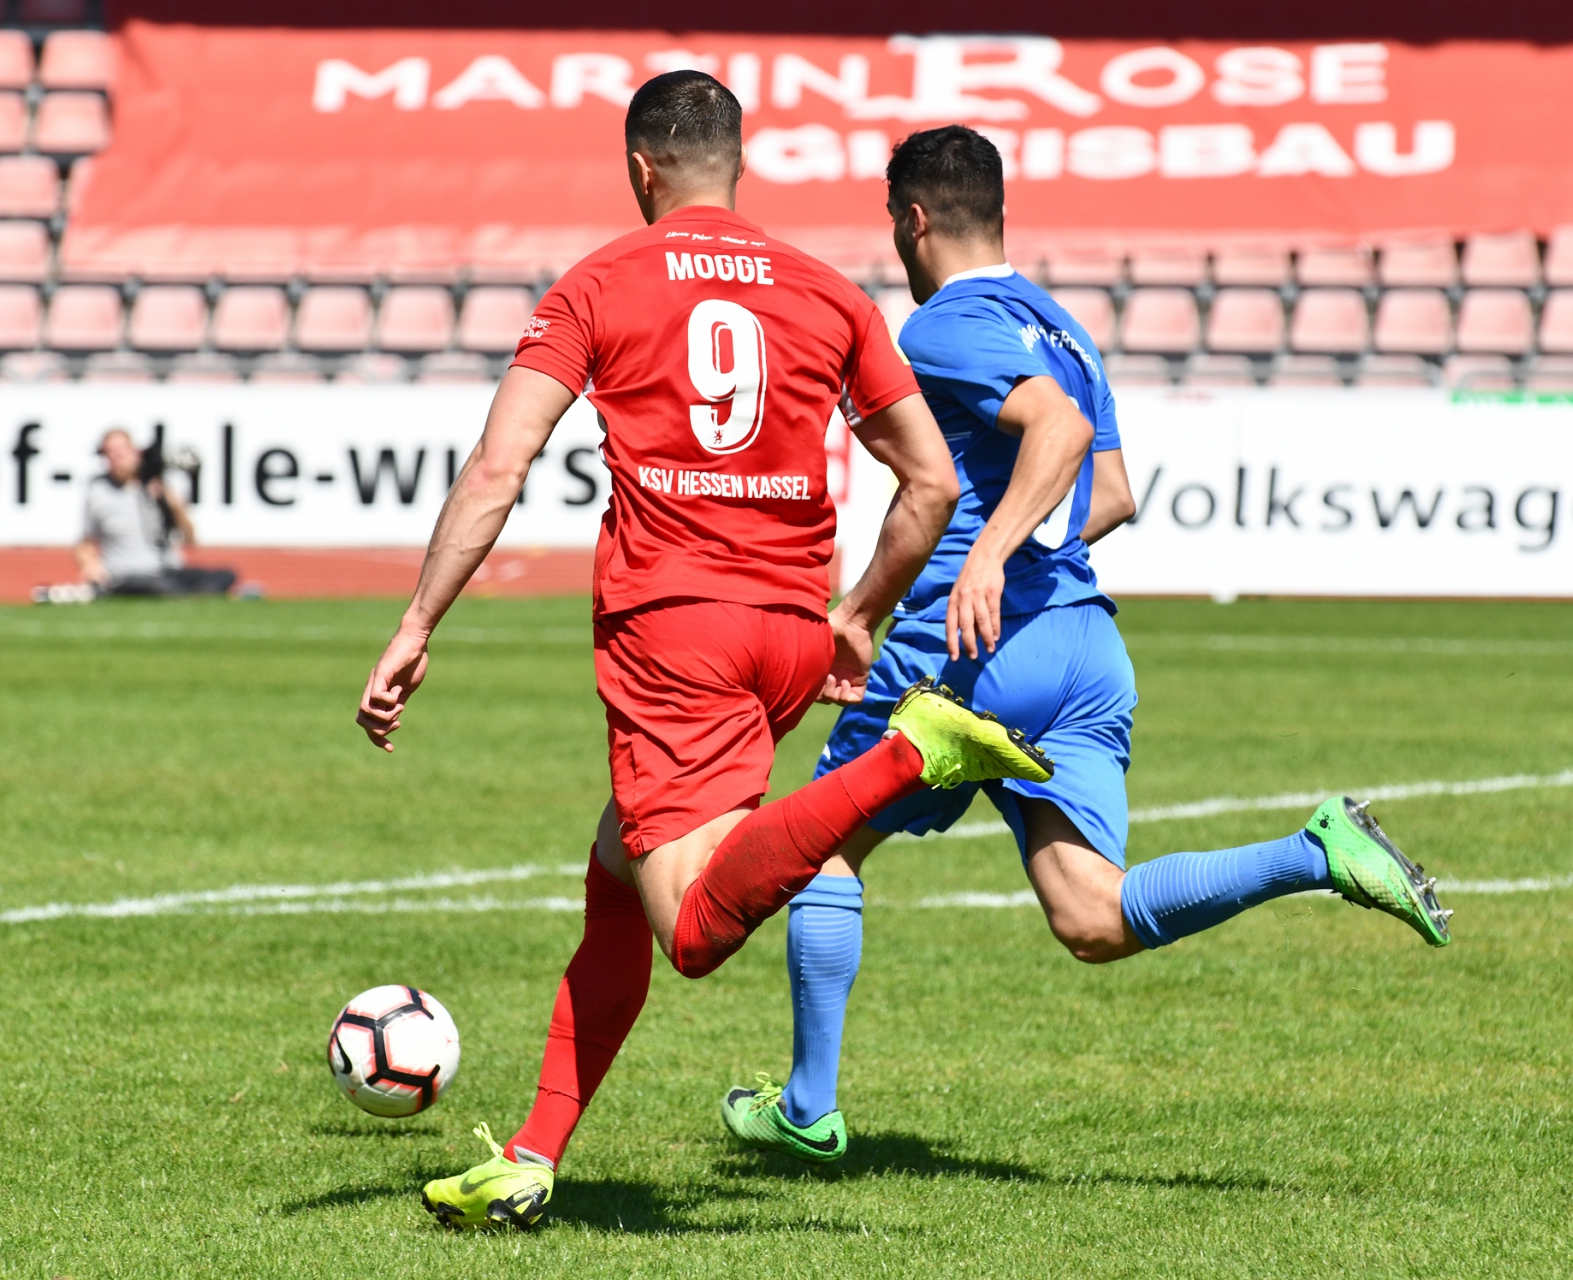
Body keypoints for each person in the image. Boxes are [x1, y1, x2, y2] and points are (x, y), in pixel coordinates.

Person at [354, 75, 1053, 1231]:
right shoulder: (828, 294)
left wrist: (419, 621)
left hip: (674, 629)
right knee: (617, 861)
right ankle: (532, 1152)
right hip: (785, 632)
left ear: (640, 170)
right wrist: (860, 612)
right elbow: (930, 481)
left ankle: (903, 755)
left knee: (687, 927)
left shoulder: (601, 282)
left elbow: (497, 467)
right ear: (739, 164)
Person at [718, 126, 1455, 1164]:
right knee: (1093, 917)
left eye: (895, 224)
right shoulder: (1062, 326)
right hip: (1081, 649)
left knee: (826, 845)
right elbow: (1110, 494)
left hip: (966, 653)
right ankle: (1315, 850)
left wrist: (984, 560)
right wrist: (1022, 551)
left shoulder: (942, 327)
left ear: (914, 220)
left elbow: (1055, 437)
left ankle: (806, 1104)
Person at [74, 429, 237, 598]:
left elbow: (191, 539)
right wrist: (91, 566)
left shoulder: (159, 486)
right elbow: (86, 543)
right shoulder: (99, 491)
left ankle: (188, 592)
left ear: (135, 452)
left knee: (226, 575)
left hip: (167, 571)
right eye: (111, 452)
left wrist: (173, 505)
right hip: (127, 576)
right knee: (158, 587)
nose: (117, 456)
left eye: (121, 450)